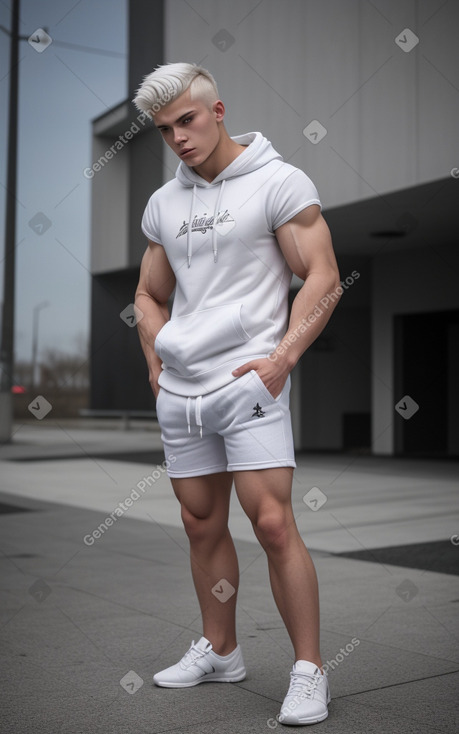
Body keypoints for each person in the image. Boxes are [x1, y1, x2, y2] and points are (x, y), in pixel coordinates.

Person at [133, 62, 341, 726]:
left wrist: (282, 359)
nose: (179, 139)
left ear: (216, 111)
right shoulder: (165, 203)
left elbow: (322, 278)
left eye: (187, 121)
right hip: (182, 395)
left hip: (248, 384)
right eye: (165, 131)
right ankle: (220, 650)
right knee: (200, 524)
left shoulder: (278, 182)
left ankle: (309, 671)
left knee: (274, 525)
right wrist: (154, 362)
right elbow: (147, 294)